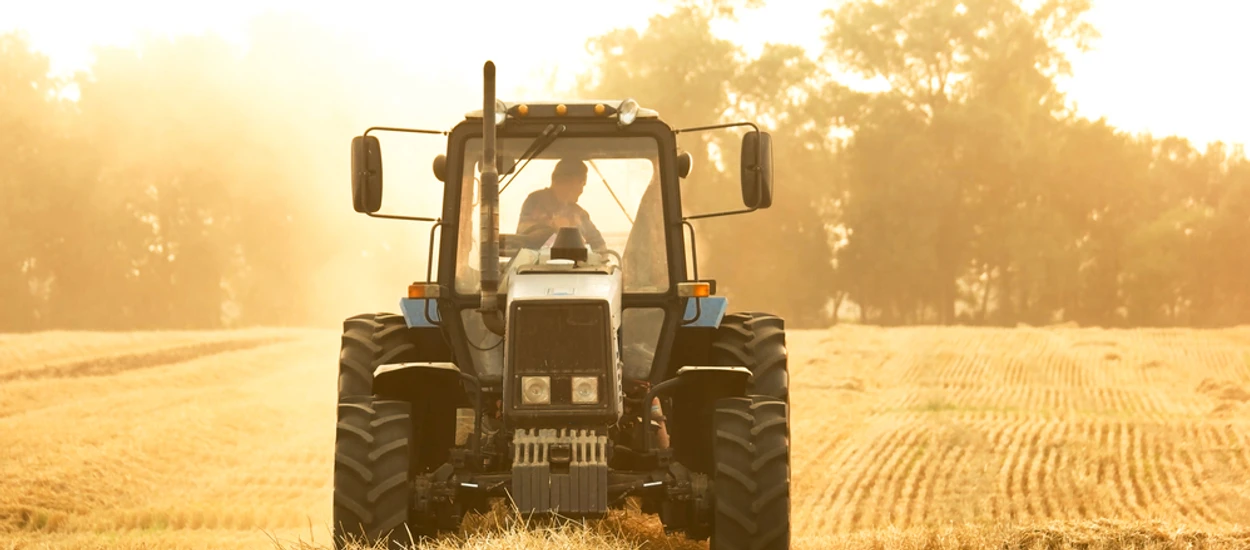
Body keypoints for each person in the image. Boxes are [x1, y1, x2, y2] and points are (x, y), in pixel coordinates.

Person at [516, 158, 607, 252]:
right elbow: (523, 234)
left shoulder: (580, 213)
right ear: (564, 180)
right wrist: (552, 226)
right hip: (535, 265)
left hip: (576, 265)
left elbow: (600, 247)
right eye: (581, 183)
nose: (581, 190)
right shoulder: (535, 201)